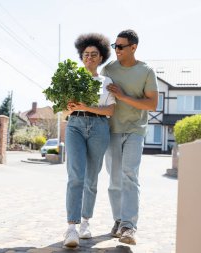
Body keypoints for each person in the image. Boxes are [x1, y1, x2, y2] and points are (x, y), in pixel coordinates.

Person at [101, 29, 159, 245]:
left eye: (120, 46)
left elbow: (152, 104)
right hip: (112, 129)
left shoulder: (146, 71)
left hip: (136, 129)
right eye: (114, 46)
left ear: (133, 47)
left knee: (129, 176)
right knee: (115, 179)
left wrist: (123, 96)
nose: (116, 50)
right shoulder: (109, 69)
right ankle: (118, 220)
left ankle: (128, 227)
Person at [63, 33, 116, 248]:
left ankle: (85, 222)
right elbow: (64, 106)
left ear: (101, 57)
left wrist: (87, 106)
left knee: (92, 178)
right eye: (86, 54)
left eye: (94, 54)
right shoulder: (72, 79)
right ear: (81, 56)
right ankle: (72, 227)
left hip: (99, 127)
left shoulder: (106, 82)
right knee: (76, 176)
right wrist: (69, 105)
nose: (90, 57)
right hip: (74, 125)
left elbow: (111, 109)